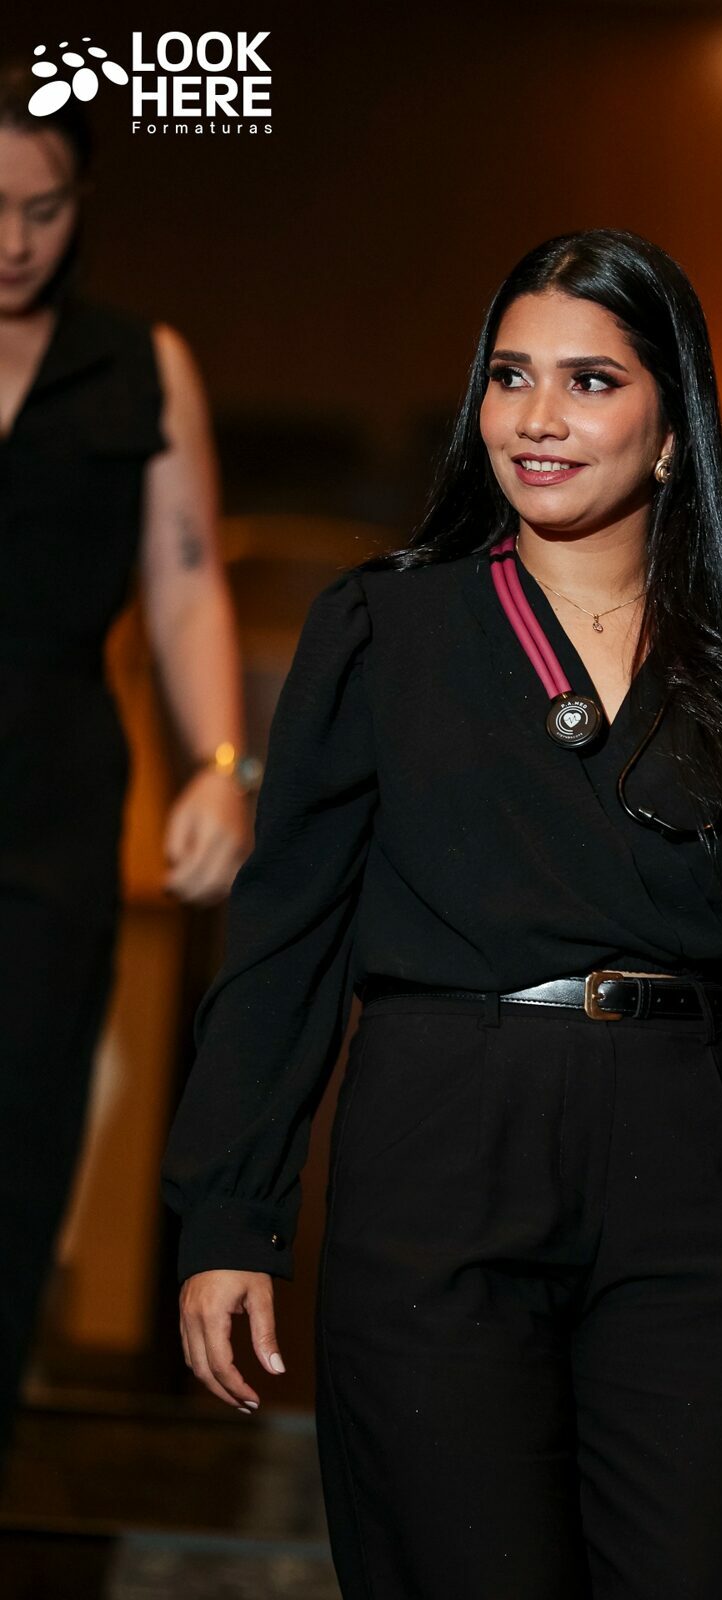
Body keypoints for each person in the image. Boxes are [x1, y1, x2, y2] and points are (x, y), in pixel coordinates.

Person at [162, 228, 722, 1599]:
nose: (535, 417)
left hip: (695, 1172)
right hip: (444, 1148)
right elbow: (284, 945)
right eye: (510, 377)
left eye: (589, 381)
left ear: (672, 429)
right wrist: (231, 1209)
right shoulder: (385, 632)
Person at [0, 66, 254, 1462]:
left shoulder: (139, 360)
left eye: (43, 209)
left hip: (49, 788)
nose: (14, 240)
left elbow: (187, 579)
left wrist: (217, 762)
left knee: (24, 1128)